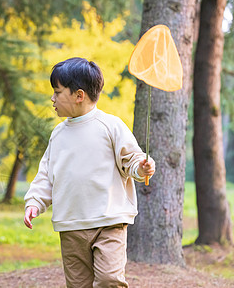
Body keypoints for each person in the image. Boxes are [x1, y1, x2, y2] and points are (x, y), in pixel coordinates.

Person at [23, 57, 156, 288]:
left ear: (79, 95)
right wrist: (35, 201)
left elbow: (131, 159)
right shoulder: (58, 134)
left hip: (109, 222)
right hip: (71, 225)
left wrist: (141, 167)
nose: (52, 99)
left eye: (57, 92)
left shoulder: (110, 126)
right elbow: (45, 174)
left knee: (109, 280)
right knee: (78, 284)